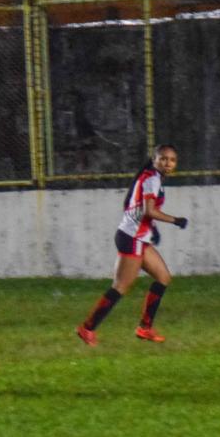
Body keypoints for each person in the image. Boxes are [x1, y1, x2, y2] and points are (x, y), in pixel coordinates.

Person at [76, 143, 188, 346]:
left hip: (137, 237)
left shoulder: (151, 178)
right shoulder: (152, 179)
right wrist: (175, 220)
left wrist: (151, 230)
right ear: (154, 160)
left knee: (163, 277)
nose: (167, 163)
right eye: (163, 158)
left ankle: (145, 328)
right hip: (132, 238)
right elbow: (149, 211)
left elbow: (134, 207)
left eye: (171, 160)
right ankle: (87, 328)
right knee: (120, 287)